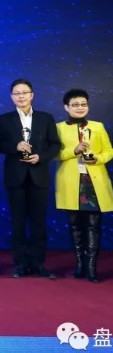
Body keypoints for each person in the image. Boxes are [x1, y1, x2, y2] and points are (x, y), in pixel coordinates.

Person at [0, 79, 60, 279]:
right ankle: (21, 263)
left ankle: (38, 263)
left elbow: (55, 145)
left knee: (38, 221)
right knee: (17, 222)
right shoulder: (4, 119)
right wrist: (14, 147)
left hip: (38, 175)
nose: (21, 96)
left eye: (24, 92)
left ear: (32, 95)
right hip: (15, 176)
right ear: (11, 97)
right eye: (16, 93)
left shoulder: (45, 118)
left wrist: (41, 156)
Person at [56, 89, 113, 283]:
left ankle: (91, 268)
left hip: (93, 182)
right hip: (71, 183)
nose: (80, 108)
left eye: (83, 104)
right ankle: (80, 265)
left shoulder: (98, 126)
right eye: (75, 105)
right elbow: (55, 154)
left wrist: (97, 158)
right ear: (66, 107)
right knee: (75, 226)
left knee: (93, 225)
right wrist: (73, 151)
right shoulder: (58, 128)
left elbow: (109, 151)